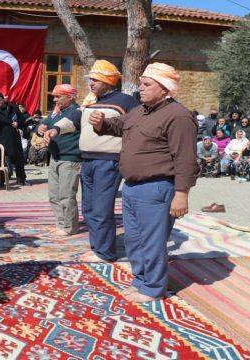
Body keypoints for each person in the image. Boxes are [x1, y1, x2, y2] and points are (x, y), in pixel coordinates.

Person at [87, 62, 198, 303]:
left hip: (157, 188)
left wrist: (182, 193)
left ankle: (153, 288)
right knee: (133, 239)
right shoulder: (140, 111)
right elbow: (120, 126)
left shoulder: (178, 116)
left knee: (153, 242)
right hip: (132, 187)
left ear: (165, 89)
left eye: (147, 85)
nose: (141, 89)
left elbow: (186, 159)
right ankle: (141, 281)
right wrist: (101, 123)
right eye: (141, 84)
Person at [44, 60, 139, 264]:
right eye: (91, 80)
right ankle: (97, 247)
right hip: (87, 160)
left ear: (107, 81)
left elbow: (136, 127)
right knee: (89, 207)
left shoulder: (125, 101)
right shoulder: (91, 101)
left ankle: (105, 253)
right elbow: (74, 119)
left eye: (95, 79)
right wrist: (56, 129)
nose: (91, 83)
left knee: (101, 207)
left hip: (109, 162)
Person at [38, 84, 82, 236]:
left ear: (70, 97)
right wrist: (40, 128)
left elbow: (61, 127)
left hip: (70, 158)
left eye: (58, 96)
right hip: (55, 158)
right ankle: (61, 224)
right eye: (54, 97)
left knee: (67, 195)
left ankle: (69, 227)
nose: (55, 100)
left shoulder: (77, 112)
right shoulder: (57, 112)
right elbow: (46, 126)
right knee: (54, 195)